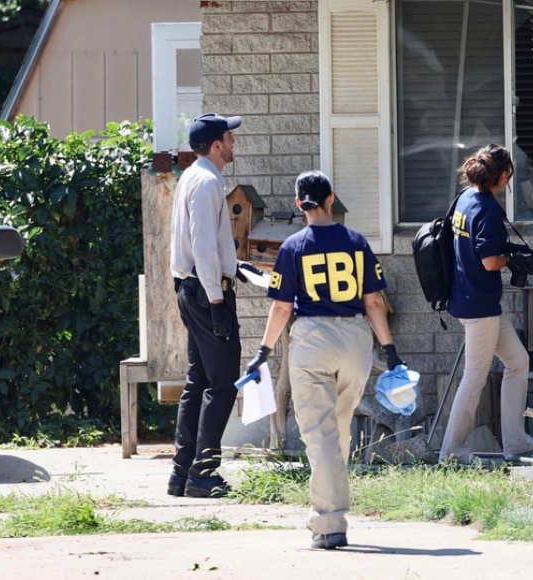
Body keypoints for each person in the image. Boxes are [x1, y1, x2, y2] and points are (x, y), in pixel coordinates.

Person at [245, 170, 404, 550]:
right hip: (356, 339)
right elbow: (373, 303)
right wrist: (391, 352)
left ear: (299, 203)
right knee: (339, 429)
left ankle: (330, 524)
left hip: (313, 339)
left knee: (319, 434)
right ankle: (332, 512)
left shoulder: (293, 246)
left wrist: (263, 351)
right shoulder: (357, 242)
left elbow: (282, 308)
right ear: (331, 198)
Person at [438, 143, 533, 464]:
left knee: (517, 362)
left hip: (471, 299)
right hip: (479, 306)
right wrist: (511, 259)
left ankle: (516, 444)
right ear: (503, 176)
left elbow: (476, 246)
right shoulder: (486, 207)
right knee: (474, 378)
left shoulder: (465, 198)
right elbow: (489, 261)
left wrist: (510, 250)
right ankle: (451, 453)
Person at [167, 113, 244, 498]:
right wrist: (216, 301)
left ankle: (182, 472)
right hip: (206, 292)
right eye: (229, 138)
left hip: (192, 287)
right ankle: (202, 473)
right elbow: (203, 246)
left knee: (199, 380)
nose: (232, 143)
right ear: (216, 145)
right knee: (223, 381)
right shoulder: (208, 181)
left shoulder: (192, 176)